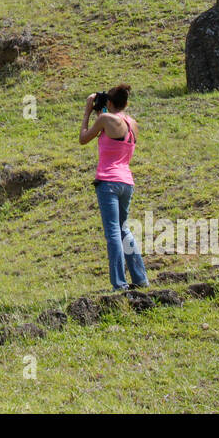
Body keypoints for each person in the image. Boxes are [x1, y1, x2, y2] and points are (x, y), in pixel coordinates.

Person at [79, 83, 149, 290]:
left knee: (112, 233)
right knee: (123, 229)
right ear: (125, 103)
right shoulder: (132, 123)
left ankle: (119, 283)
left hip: (108, 182)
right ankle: (140, 278)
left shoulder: (104, 119)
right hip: (127, 181)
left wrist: (87, 113)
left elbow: (83, 139)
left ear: (109, 102)